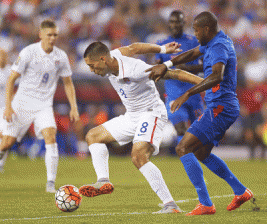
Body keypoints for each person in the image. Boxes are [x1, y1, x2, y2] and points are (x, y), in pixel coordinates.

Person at [148, 11, 254, 216]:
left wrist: (187, 92)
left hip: (220, 107)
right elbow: (193, 53)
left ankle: (205, 204)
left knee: (182, 148)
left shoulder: (219, 46)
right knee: (201, 153)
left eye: (197, 30)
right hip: (220, 105)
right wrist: (167, 64)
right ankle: (240, 191)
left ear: (206, 29)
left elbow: (217, 76)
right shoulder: (214, 41)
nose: (195, 34)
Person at [78, 41, 203, 214]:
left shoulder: (136, 69)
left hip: (151, 113)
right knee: (93, 136)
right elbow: (134, 48)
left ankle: (170, 205)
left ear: (102, 59)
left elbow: (176, 74)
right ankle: (103, 181)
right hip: (132, 115)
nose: (91, 70)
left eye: (92, 66)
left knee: (138, 156)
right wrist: (163, 49)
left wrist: (208, 84)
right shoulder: (114, 56)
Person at [0, 19, 80, 193]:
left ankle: (50, 184)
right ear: (40, 35)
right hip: (22, 104)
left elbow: (68, 83)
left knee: (50, 136)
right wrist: (8, 106)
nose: (52, 38)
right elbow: (11, 79)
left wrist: (74, 106)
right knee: (6, 143)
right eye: (49, 35)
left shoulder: (60, 56)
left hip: (44, 105)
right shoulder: (28, 52)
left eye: (55, 35)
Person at [155, 10, 204, 147]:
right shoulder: (162, 44)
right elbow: (157, 69)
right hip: (174, 95)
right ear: (168, 24)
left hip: (194, 94)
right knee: (181, 128)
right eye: (172, 22)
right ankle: (187, 160)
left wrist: (187, 69)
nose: (175, 25)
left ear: (184, 23)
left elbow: (208, 66)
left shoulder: (194, 42)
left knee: (199, 134)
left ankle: (196, 159)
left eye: (178, 22)